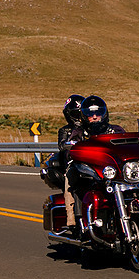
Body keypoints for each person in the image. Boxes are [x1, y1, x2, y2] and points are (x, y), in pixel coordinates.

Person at [57, 94, 85, 237]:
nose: (80, 117)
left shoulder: (94, 128)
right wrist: (68, 142)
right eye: (77, 114)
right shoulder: (66, 131)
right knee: (70, 179)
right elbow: (62, 145)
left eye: (82, 113)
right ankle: (72, 220)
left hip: (96, 162)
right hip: (75, 163)